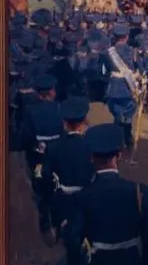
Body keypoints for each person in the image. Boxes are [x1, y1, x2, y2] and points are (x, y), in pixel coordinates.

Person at [61, 122, 148, 265]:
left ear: (91, 158)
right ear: (119, 156)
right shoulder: (139, 191)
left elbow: (74, 240)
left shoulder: (83, 196)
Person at [37, 96, 93, 254]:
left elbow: (46, 176)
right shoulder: (91, 145)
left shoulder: (53, 147)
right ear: (85, 122)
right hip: (87, 198)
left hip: (63, 200)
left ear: (64, 124)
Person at [19, 73, 62, 240]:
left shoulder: (30, 111)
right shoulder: (59, 108)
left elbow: (25, 137)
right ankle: (58, 224)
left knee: (41, 192)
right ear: (52, 92)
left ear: (38, 93)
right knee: (57, 189)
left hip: (38, 159)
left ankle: (45, 224)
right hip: (57, 157)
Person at [100, 24, 141, 150]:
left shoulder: (107, 53)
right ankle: (127, 136)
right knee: (128, 114)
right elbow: (140, 67)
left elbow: (102, 72)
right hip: (129, 89)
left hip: (114, 89)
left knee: (117, 114)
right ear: (127, 37)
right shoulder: (133, 51)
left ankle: (118, 138)